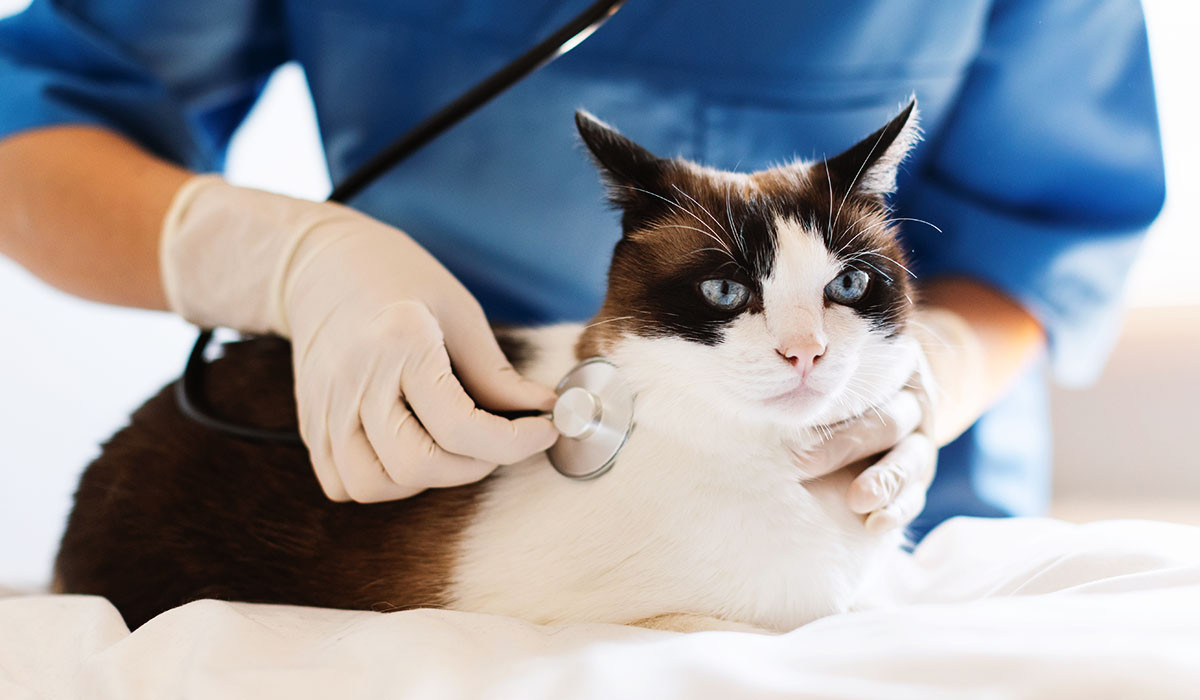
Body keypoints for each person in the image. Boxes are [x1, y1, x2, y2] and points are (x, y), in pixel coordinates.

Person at [0, 1, 1164, 539]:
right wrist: (285, 255)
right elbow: (34, 125)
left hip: (866, 500)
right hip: (454, 479)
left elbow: (1043, 224)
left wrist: (938, 377)